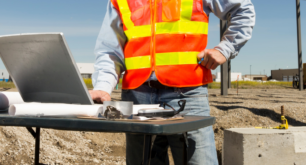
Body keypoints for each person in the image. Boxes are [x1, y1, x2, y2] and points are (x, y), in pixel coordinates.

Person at [89, 0, 255, 164]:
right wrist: (103, 87)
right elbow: (109, 49)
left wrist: (224, 50)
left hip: (187, 96)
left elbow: (243, 10)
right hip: (137, 98)